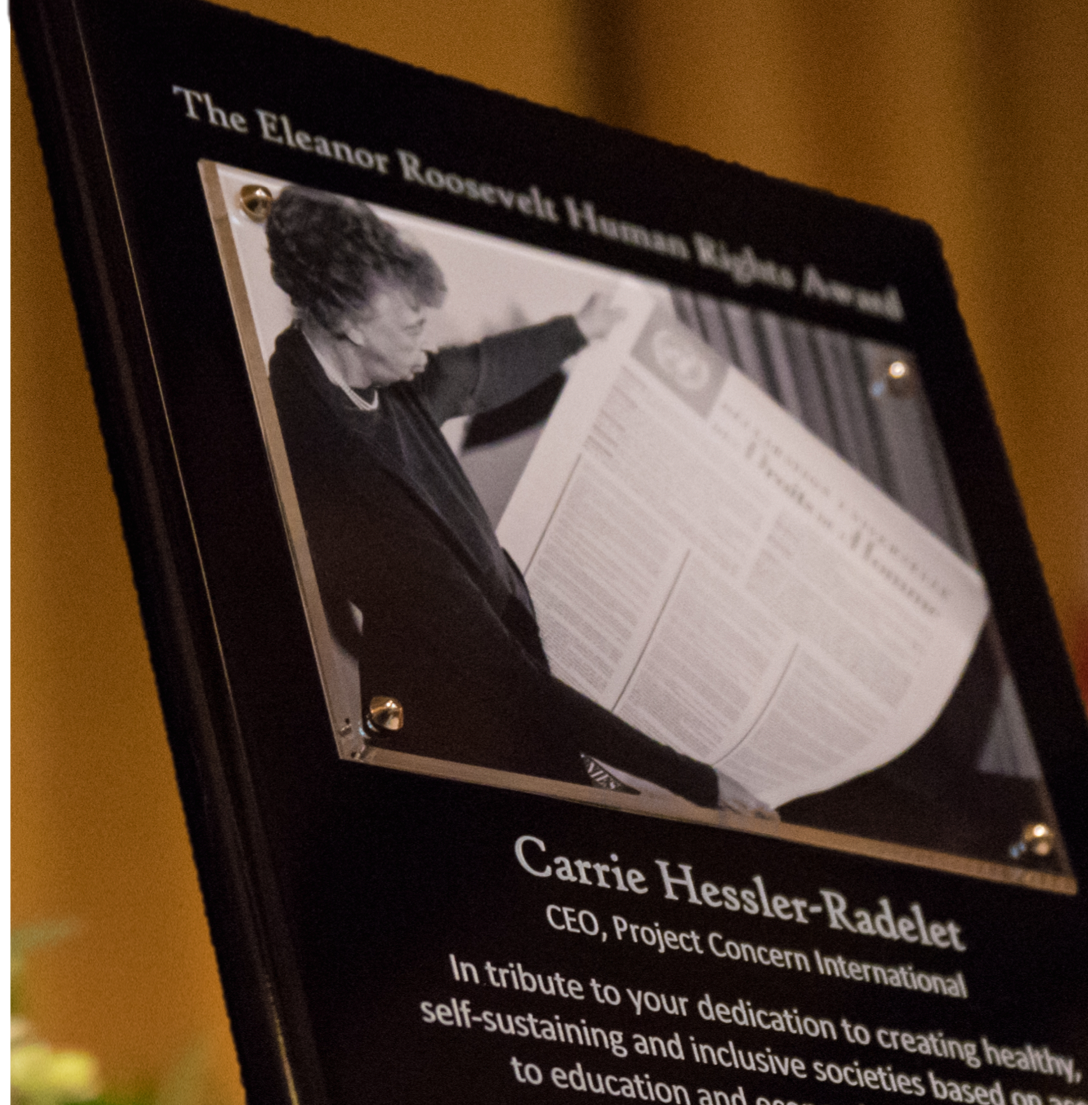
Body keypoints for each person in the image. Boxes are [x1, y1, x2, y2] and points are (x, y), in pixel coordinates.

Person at [262, 186, 766, 814]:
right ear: (348, 322)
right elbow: (506, 679)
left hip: (499, 655)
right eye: (413, 329)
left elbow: (472, 373)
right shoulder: (335, 462)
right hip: (456, 710)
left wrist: (579, 329)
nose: (425, 344)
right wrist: (699, 781)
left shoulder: (360, 366)